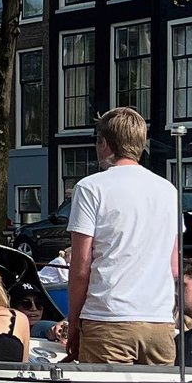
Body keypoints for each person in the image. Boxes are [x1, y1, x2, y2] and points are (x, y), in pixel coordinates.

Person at [65, 106, 182, 365]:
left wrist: (74, 322)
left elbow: (81, 267)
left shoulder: (90, 188)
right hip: (159, 323)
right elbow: (174, 267)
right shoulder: (168, 190)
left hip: (108, 320)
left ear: (104, 144)